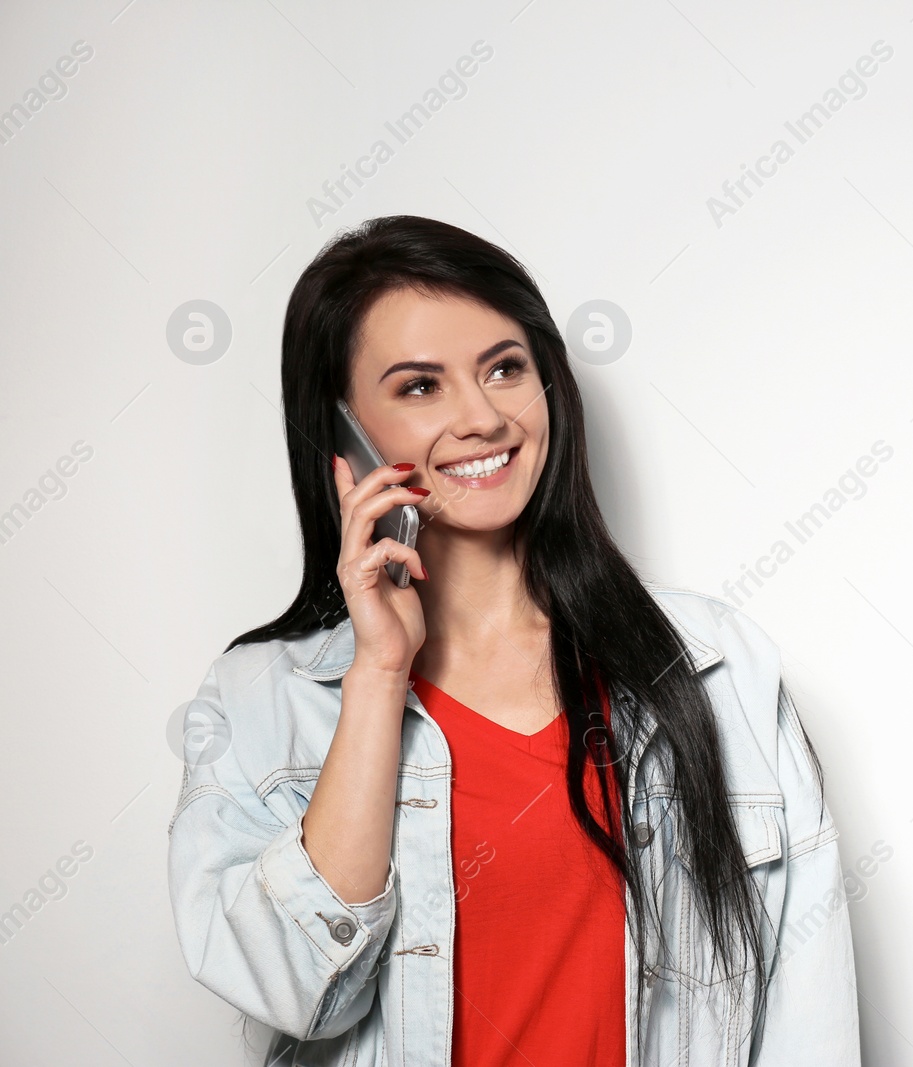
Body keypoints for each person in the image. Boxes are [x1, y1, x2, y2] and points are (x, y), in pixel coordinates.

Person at [166, 215, 861, 1066]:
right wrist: (380, 673)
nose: (483, 416)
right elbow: (294, 990)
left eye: (504, 368)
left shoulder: (716, 667)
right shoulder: (257, 703)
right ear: (346, 435)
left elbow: (806, 1008)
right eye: (420, 386)